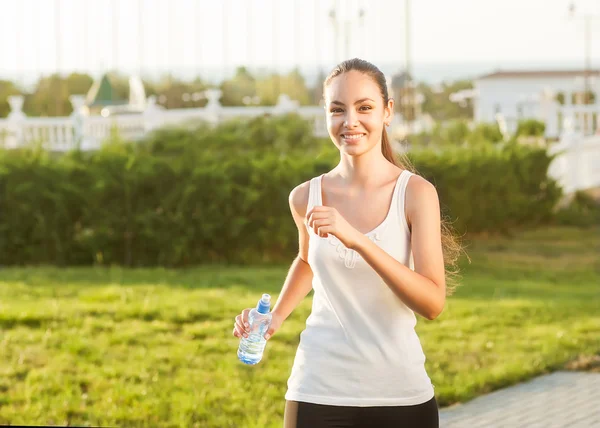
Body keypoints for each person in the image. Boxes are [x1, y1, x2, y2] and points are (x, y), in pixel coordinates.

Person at [233, 58, 463, 428]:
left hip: (399, 394)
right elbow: (307, 261)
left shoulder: (416, 194)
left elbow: (433, 303)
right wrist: (273, 318)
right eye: (337, 109)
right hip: (317, 389)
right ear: (325, 115)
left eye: (364, 107)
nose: (350, 121)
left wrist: (357, 240)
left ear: (387, 112)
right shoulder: (305, 196)